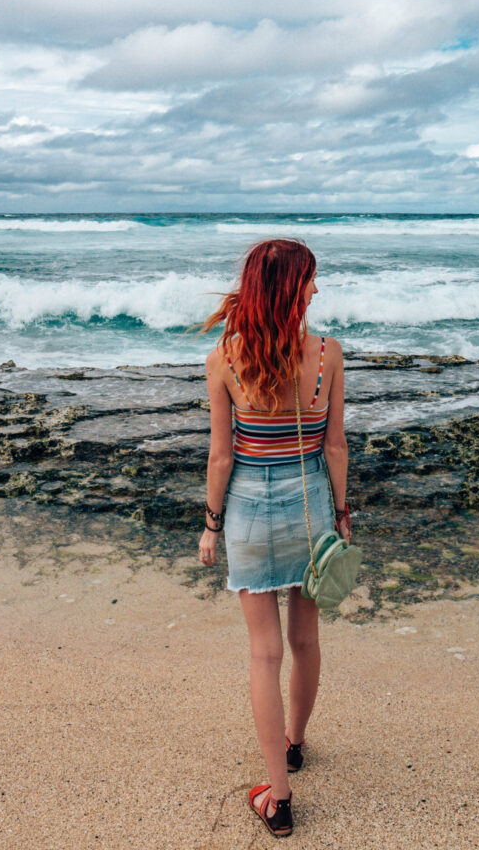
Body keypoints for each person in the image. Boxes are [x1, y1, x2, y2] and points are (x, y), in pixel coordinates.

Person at [198, 238, 351, 838]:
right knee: (305, 641)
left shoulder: (224, 359)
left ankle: (279, 799)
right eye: (311, 279)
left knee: (264, 654)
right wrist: (342, 512)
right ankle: (295, 743)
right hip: (311, 502)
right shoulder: (328, 353)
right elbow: (334, 446)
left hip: (250, 510)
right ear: (291, 288)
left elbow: (220, 455)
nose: (316, 288)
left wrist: (211, 526)